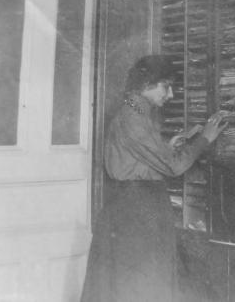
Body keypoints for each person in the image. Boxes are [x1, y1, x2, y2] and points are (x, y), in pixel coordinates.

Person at [81, 55, 226, 302]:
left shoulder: (136, 114)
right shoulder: (133, 119)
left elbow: (141, 159)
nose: (170, 95)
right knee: (141, 285)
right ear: (147, 83)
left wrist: (167, 146)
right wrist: (205, 139)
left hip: (138, 210)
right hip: (137, 213)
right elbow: (174, 167)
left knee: (139, 285)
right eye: (166, 86)